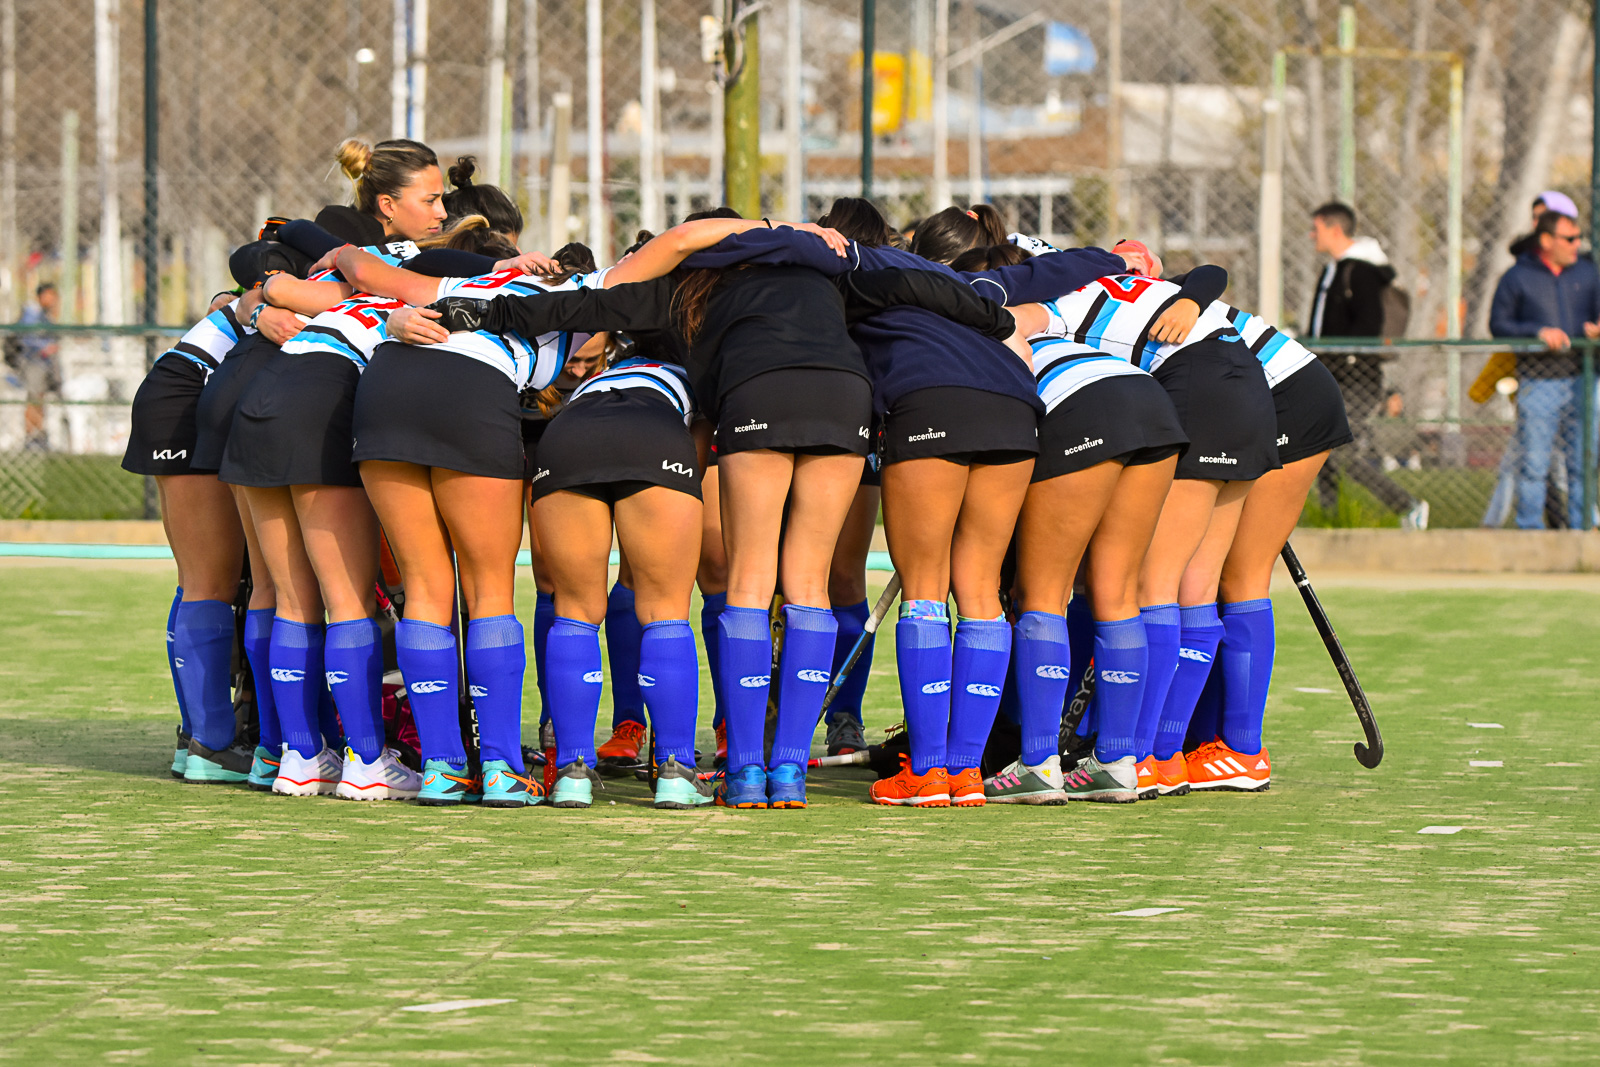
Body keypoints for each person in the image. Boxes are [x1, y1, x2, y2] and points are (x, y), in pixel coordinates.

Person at [1306, 201, 1425, 527]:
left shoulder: (1361, 270)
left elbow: (1368, 324)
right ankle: (1329, 518)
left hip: (1356, 376)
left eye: (1315, 229)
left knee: (1340, 452)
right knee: (1321, 450)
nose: (1311, 235)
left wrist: (1342, 356)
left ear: (1334, 229)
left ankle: (1407, 505)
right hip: (1330, 373)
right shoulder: (1334, 268)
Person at [1489, 209, 1600, 530]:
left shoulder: (1588, 273)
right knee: (1535, 464)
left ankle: (1583, 530)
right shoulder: (1517, 277)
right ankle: (1531, 532)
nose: (1577, 244)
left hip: (1583, 378)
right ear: (1547, 240)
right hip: (1539, 382)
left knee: (1583, 461)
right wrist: (1537, 332)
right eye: (1569, 238)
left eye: (1579, 238)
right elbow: (1499, 324)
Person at [15, 283, 60, 450]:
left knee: (39, 398)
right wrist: (44, 348)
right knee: (33, 399)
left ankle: (38, 435)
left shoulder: (45, 314)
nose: (53, 299)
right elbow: (26, 339)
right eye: (49, 295)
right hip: (33, 362)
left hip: (43, 364)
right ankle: (31, 437)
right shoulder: (32, 313)